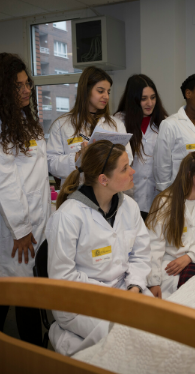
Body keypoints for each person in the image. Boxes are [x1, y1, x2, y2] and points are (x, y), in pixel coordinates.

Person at [46, 140, 151, 356]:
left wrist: (134, 288)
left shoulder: (129, 206)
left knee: (159, 329)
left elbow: (141, 254)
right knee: (124, 339)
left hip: (125, 289)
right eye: (124, 168)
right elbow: (63, 277)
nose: (132, 171)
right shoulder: (68, 216)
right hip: (81, 301)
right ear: (104, 180)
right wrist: (113, 295)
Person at [0, 53, 50, 346]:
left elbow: (36, 172)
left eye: (26, 83)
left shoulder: (23, 120)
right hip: (15, 230)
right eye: (18, 86)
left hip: (36, 221)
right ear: (2, 90)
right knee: (14, 295)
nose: (27, 90)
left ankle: (8, 347)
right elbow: (2, 182)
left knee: (21, 292)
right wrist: (21, 229)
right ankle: (25, 351)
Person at [146, 151, 195, 299]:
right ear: (189, 175)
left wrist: (189, 257)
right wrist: (153, 282)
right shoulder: (164, 202)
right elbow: (154, 244)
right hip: (168, 266)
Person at [47, 66, 133, 186]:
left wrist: (106, 157)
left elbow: (128, 158)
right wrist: (77, 158)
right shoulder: (62, 125)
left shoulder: (116, 125)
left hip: (107, 191)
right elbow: (51, 163)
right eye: (100, 91)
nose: (106, 96)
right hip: (76, 192)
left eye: (108, 92)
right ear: (86, 91)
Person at [114, 74, 168, 220]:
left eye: (153, 97)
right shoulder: (118, 123)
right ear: (133, 99)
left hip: (157, 197)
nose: (150, 103)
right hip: (128, 195)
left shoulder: (164, 123)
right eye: (144, 99)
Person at [153, 74, 195, 195]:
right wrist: (167, 197)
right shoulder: (170, 125)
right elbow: (162, 167)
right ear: (188, 94)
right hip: (180, 195)